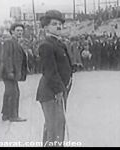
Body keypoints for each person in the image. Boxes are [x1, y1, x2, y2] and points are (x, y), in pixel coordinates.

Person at [36, 10, 74, 147]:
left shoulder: (58, 43)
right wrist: (59, 91)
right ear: (46, 27)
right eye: (54, 24)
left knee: (56, 125)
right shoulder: (47, 45)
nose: (58, 26)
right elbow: (50, 72)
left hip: (59, 91)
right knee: (55, 127)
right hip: (51, 92)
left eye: (60, 24)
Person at [1, 23, 28, 122]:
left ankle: (6, 114)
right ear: (12, 31)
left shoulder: (15, 42)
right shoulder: (10, 42)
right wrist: (10, 71)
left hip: (11, 73)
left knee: (9, 92)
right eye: (18, 30)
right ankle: (13, 116)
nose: (20, 32)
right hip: (9, 73)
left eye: (21, 31)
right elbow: (7, 57)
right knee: (14, 93)